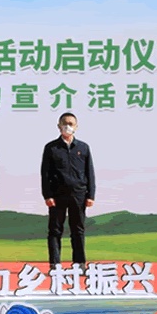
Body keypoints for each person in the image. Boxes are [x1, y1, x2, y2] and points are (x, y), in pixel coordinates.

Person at [40, 112, 95, 267]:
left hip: (79, 194)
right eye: (65, 123)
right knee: (55, 230)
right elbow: (45, 173)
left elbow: (90, 172)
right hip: (57, 195)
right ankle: (55, 264)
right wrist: (47, 195)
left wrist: (91, 195)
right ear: (59, 126)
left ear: (76, 126)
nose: (68, 126)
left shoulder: (83, 148)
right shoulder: (51, 148)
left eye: (71, 124)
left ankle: (79, 264)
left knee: (78, 230)